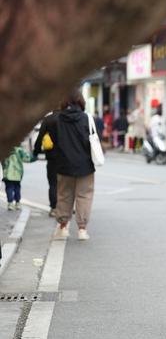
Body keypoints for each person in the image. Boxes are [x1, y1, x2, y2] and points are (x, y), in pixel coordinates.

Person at [52, 90, 96, 241]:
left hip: (64, 164)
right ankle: (82, 230)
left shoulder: (58, 120)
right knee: (84, 196)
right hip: (85, 165)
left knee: (64, 195)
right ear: (81, 101)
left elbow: (55, 142)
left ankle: (63, 227)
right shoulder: (86, 118)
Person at [33, 110, 61, 216]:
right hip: (67, 156)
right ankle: (66, 207)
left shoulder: (48, 120)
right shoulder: (68, 118)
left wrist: (36, 152)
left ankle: (54, 208)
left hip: (52, 156)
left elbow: (40, 137)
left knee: (53, 183)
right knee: (66, 184)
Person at [2, 145, 34, 211]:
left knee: (9, 188)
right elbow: (26, 158)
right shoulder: (19, 150)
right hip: (17, 173)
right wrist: (34, 157)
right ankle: (17, 203)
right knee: (17, 188)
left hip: (7, 173)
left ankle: (10, 203)